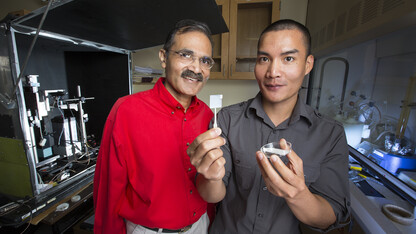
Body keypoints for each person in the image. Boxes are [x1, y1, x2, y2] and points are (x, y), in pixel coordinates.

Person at [188, 19, 351, 233]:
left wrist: (299, 195)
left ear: (308, 64)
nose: (273, 72)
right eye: (264, 58)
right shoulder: (227, 119)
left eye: (288, 58)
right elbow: (212, 195)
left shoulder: (330, 134)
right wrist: (209, 176)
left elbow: (332, 215)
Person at [93, 19, 216, 234]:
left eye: (205, 61)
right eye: (186, 55)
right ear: (163, 57)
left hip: (200, 226)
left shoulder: (208, 115)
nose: (196, 68)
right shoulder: (126, 111)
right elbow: (108, 191)